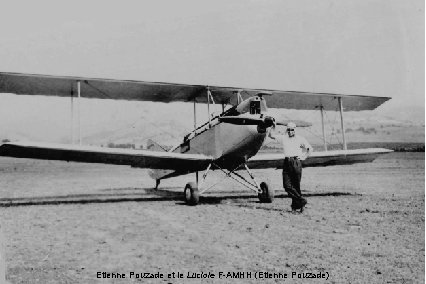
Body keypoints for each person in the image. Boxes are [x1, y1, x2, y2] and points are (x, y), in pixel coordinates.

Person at [269, 122, 312, 212]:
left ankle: (297, 207)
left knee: (296, 186)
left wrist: (303, 157)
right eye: (288, 130)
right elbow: (271, 135)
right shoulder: (284, 138)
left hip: (296, 162)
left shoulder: (300, 139)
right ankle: (301, 200)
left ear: (295, 130)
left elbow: (309, 149)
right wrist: (273, 126)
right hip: (287, 162)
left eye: (292, 130)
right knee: (287, 186)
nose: (290, 131)